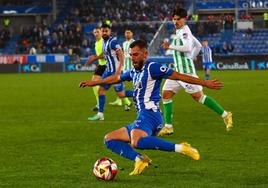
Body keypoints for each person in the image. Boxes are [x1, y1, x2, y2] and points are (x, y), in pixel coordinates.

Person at [79, 40, 223, 175]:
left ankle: (182, 148)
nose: (133, 58)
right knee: (109, 139)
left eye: (136, 54)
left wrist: (205, 83)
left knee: (136, 141)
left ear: (145, 54)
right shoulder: (134, 71)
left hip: (152, 115)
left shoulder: (152, 67)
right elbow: (117, 78)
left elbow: (178, 75)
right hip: (142, 117)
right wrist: (95, 83)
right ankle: (140, 160)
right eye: (131, 55)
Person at [159, 7, 233, 136]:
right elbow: (198, 46)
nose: (176, 21)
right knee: (166, 94)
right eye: (174, 19)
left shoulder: (184, 31)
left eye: (179, 19)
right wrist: (191, 57)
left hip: (185, 72)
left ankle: (226, 114)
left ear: (185, 19)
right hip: (177, 71)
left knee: (199, 97)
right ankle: (168, 126)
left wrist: (169, 46)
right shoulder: (183, 31)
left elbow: (187, 47)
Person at [86, 24, 132, 121]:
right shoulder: (104, 42)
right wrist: (95, 58)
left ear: (110, 32)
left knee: (121, 94)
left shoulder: (113, 42)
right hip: (108, 71)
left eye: (106, 31)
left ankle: (142, 93)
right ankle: (100, 114)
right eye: (103, 31)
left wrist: (119, 70)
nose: (104, 33)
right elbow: (104, 53)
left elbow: (122, 55)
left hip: (115, 72)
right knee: (100, 91)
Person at [109, 28, 135, 109]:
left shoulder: (134, 43)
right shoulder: (124, 43)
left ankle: (139, 100)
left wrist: (124, 55)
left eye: (129, 33)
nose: (127, 34)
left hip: (133, 68)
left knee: (136, 86)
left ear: (132, 34)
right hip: (125, 67)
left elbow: (133, 54)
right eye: (126, 33)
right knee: (119, 83)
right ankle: (121, 101)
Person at [85, 28, 107, 112]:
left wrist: (93, 58)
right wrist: (93, 57)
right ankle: (98, 104)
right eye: (95, 32)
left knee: (118, 87)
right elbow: (98, 54)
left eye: (98, 32)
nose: (96, 33)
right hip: (101, 65)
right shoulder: (96, 43)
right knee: (93, 83)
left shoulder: (104, 41)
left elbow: (104, 54)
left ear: (101, 32)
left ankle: (126, 101)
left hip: (108, 65)